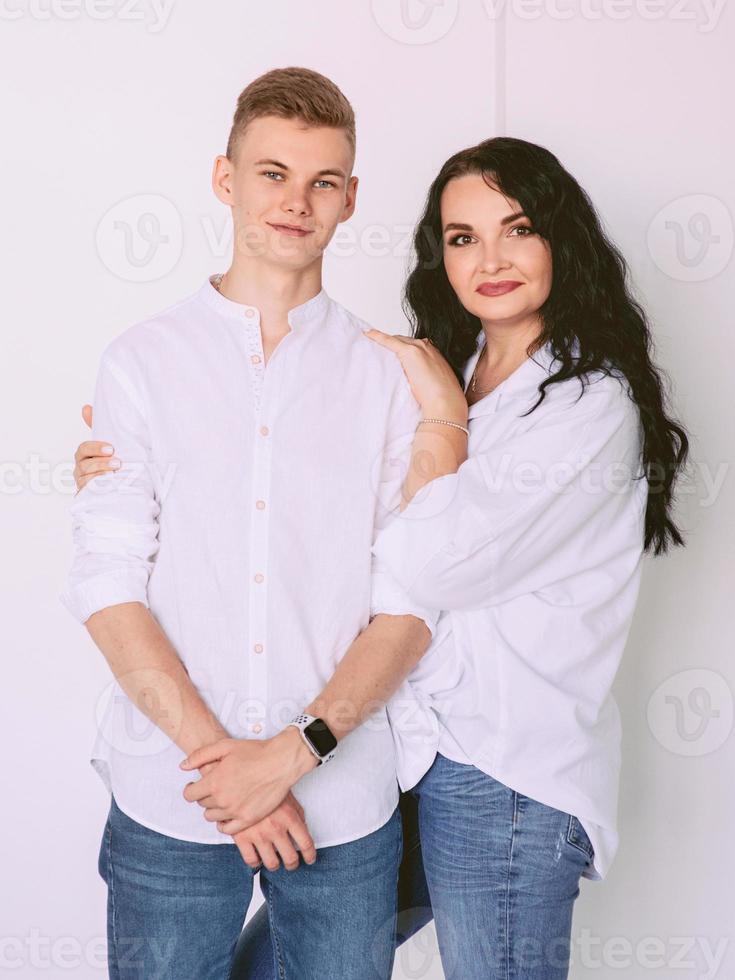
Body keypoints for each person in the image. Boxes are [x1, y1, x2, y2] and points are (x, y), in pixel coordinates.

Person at [71, 136, 689, 978]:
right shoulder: (450, 366)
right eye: (464, 237)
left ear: (561, 242)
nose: (491, 259)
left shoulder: (581, 404)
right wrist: (159, 455)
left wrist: (438, 423)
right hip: (412, 756)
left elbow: (425, 567)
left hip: (503, 773)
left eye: (519, 229)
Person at [60, 66, 458, 980]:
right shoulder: (142, 362)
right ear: (224, 177)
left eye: (323, 181)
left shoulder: (386, 376)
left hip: (343, 798)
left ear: (351, 198)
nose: (296, 201)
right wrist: (231, 772)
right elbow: (107, 581)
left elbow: (410, 601)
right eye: (272, 172)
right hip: (172, 794)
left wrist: (292, 755)